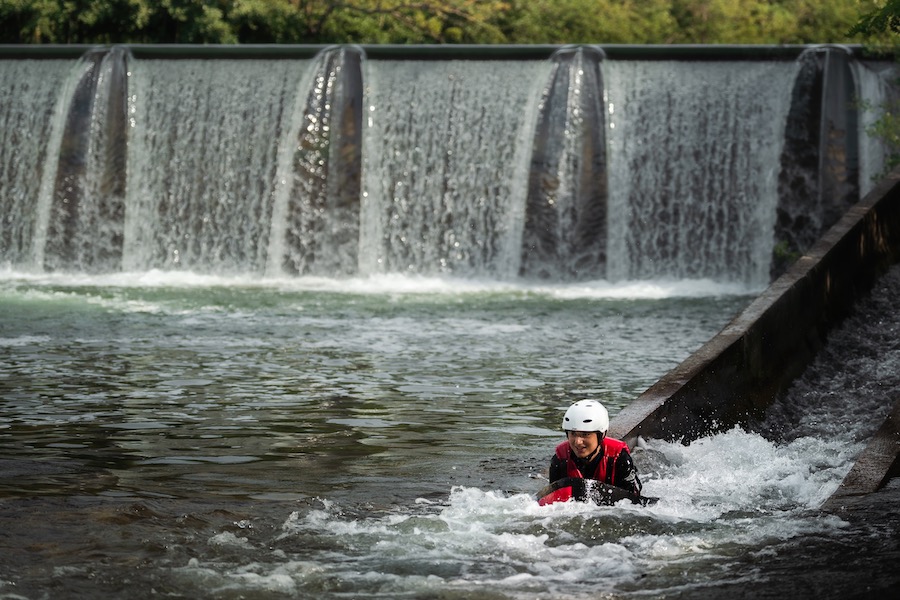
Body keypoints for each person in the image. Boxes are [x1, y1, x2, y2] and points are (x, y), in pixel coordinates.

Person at [548, 399, 642, 495]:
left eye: (585, 434)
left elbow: (632, 501)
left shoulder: (620, 459)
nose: (578, 442)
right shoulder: (560, 460)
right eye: (573, 434)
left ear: (601, 435)